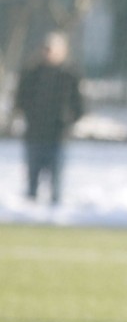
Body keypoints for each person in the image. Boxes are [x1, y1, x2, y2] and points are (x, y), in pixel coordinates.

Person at [14, 31, 84, 205]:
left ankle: (54, 213)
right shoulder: (32, 73)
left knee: (56, 183)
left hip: (57, 135)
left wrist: (66, 121)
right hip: (35, 134)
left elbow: (79, 105)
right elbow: (21, 99)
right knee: (32, 181)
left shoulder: (69, 74)